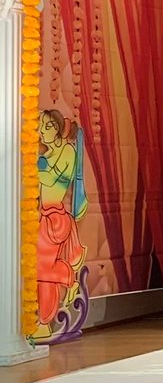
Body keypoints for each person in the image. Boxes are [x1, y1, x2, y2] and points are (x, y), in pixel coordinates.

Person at [36, 110, 86, 335]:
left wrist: (31, 166)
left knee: (43, 268)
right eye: (41, 126)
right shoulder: (47, 155)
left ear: (58, 130)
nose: (42, 131)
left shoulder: (67, 151)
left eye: (47, 126)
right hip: (43, 216)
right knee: (41, 271)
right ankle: (43, 323)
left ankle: (45, 322)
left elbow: (49, 179)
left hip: (56, 219)